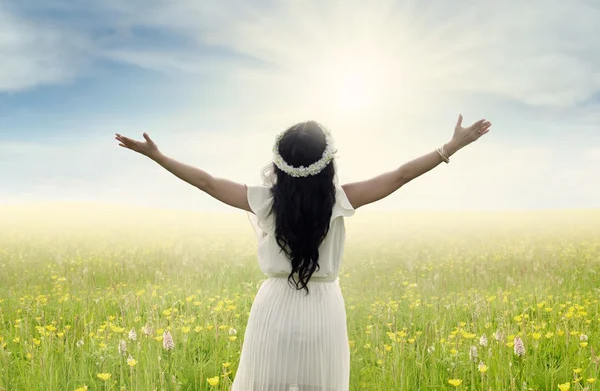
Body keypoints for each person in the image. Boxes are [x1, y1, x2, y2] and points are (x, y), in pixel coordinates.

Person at [114, 115, 491, 391]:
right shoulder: (339, 199)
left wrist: (157, 156)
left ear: (281, 163)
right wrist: (450, 147)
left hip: (272, 308)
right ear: (327, 164)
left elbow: (206, 182)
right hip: (323, 309)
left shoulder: (263, 200)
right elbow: (399, 176)